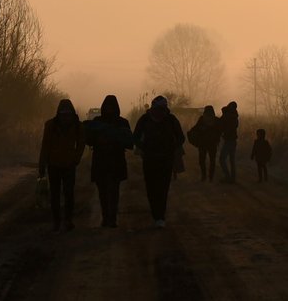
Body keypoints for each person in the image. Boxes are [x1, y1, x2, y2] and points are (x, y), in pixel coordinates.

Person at [132, 95, 185, 227]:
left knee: (161, 189)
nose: (159, 112)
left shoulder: (170, 120)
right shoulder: (146, 119)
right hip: (151, 159)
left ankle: (159, 216)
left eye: (161, 108)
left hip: (164, 159)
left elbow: (180, 138)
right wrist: (144, 147)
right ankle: (158, 215)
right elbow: (135, 137)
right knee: (153, 189)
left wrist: (171, 148)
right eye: (157, 108)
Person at [84, 94, 133, 228]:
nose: (110, 109)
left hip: (114, 160)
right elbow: (88, 140)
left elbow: (129, 141)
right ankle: (107, 217)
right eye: (108, 107)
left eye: (112, 107)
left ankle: (111, 218)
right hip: (101, 160)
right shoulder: (100, 121)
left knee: (113, 191)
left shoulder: (121, 122)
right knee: (103, 192)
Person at [38, 98, 85, 231]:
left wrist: (42, 164)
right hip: (62, 164)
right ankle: (64, 220)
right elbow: (81, 144)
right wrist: (76, 158)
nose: (65, 116)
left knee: (58, 194)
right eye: (64, 114)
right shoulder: (75, 125)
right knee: (65, 194)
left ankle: (59, 221)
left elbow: (45, 147)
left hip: (60, 164)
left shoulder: (53, 124)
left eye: (67, 114)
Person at [187, 105, 221, 182]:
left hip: (203, 144)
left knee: (202, 161)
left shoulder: (202, 119)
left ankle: (204, 176)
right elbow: (220, 130)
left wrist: (190, 133)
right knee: (212, 161)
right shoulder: (216, 120)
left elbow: (195, 128)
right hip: (212, 144)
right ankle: (210, 177)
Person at [218, 101, 239, 183]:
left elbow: (221, 124)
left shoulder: (228, 116)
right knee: (231, 160)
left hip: (228, 140)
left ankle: (228, 177)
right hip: (233, 140)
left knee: (222, 159)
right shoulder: (235, 117)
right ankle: (232, 178)